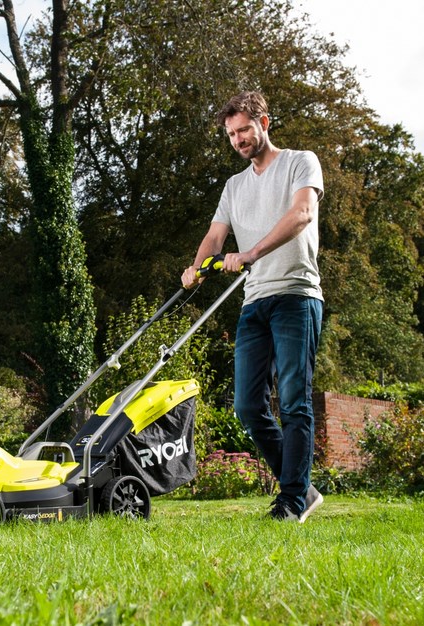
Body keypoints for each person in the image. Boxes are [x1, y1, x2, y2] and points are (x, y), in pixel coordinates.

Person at [181, 91, 324, 522]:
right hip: (255, 302)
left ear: (264, 122)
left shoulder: (300, 162)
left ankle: (291, 500)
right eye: (231, 134)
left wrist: (251, 253)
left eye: (244, 129)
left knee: (294, 400)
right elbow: (215, 236)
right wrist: (196, 268)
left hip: (297, 295)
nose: (238, 139)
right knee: (246, 406)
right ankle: (301, 488)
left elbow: (302, 214)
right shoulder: (234, 186)